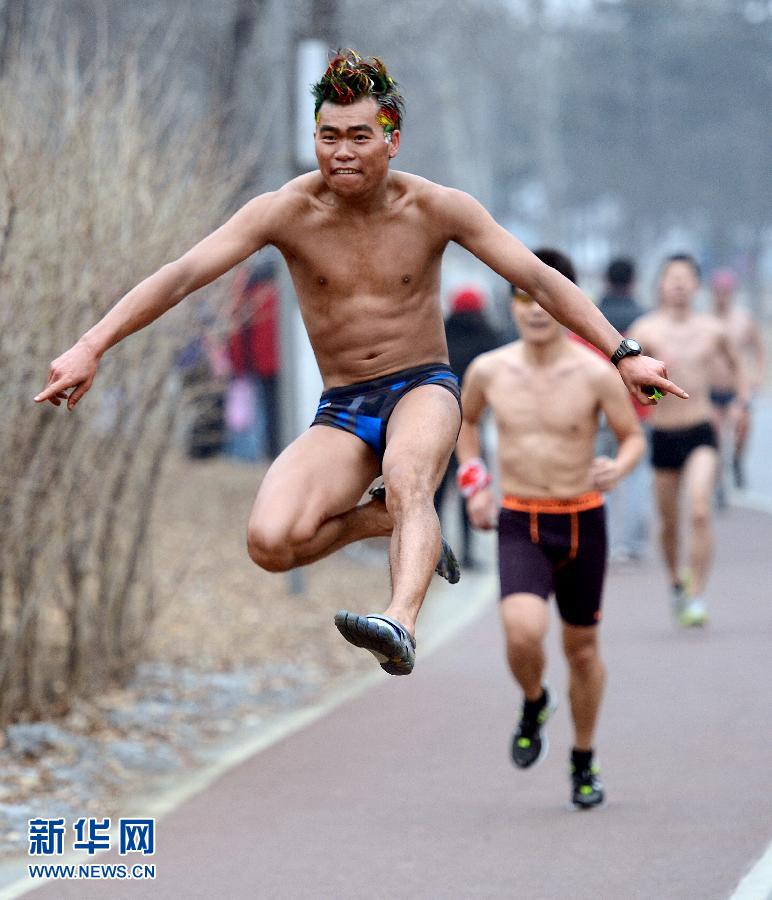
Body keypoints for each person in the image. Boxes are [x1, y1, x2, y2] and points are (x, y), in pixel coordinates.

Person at [35, 50, 684, 677]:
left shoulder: (437, 208)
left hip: (421, 387)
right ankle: (389, 524)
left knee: (408, 477)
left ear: (392, 139)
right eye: (327, 136)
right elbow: (181, 276)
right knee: (270, 543)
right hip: (343, 405)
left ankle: (399, 620)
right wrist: (92, 344)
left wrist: (621, 351)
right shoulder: (286, 212)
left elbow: (539, 278)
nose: (340, 151)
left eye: (358, 136)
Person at [457, 248, 644, 809]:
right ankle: (535, 700)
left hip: (583, 519)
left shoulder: (594, 373)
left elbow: (632, 435)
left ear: (566, 303)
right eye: (523, 295)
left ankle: (583, 759)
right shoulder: (489, 370)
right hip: (521, 519)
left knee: (582, 652)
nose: (536, 309)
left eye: (547, 297)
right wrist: (475, 484)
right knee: (521, 630)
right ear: (510, 303)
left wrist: (621, 465)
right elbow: (465, 424)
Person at [628, 255, 748, 626]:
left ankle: (696, 595)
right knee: (668, 522)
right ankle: (676, 584)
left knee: (698, 509)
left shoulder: (713, 330)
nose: (678, 284)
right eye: (671, 278)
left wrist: (741, 402)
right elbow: (630, 384)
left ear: (697, 285)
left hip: (701, 430)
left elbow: (738, 366)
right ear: (660, 285)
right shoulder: (645, 330)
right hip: (664, 434)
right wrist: (654, 395)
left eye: (685, 278)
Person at [434, 283, 502, 569]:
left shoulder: (440, 337)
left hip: (437, 425)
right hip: (471, 425)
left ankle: (433, 550)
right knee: (470, 488)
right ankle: (468, 553)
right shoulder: (490, 338)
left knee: (435, 492)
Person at [597, 257, 652, 561]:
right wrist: (652, 399)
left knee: (596, 473)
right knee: (635, 475)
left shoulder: (590, 317)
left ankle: (598, 542)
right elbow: (655, 370)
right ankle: (630, 545)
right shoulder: (644, 320)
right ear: (633, 281)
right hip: (635, 407)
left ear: (606, 279)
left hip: (596, 408)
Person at [708, 268, 765, 492]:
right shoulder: (704, 321)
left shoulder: (744, 320)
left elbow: (758, 349)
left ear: (732, 292)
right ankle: (719, 483)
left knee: (742, 428)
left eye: (726, 291)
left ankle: (737, 460)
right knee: (717, 436)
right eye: (718, 291)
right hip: (711, 388)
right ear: (712, 292)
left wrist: (757, 376)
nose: (722, 295)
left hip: (737, 389)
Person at [227, 260, 281, 460]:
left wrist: (238, 365)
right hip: (273, 363)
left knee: (260, 410)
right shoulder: (273, 294)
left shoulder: (248, 294)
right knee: (272, 410)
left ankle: (265, 452)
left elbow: (238, 333)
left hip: (257, 363)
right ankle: (272, 450)